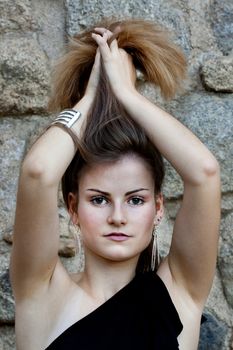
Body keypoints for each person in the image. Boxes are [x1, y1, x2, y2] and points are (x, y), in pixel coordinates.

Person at [10, 19, 221, 350]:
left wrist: (128, 94)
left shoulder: (181, 291)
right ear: (72, 207)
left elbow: (205, 172)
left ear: (158, 208)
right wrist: (90, 98)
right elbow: (37, 172)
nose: (117, 217)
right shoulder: (42, 293)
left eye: (136, 200)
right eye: (98, 200)